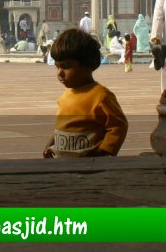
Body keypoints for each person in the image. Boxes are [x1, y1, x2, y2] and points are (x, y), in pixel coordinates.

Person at [42, 28, 128, 158]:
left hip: (89, 165)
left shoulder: (101, 96)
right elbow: (62, 127)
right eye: (57, 67)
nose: (59, 73)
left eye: (66, 66)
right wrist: (51, 144)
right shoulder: (65, 96)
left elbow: (118, 126)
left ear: (87, 65)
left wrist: (104, 151)